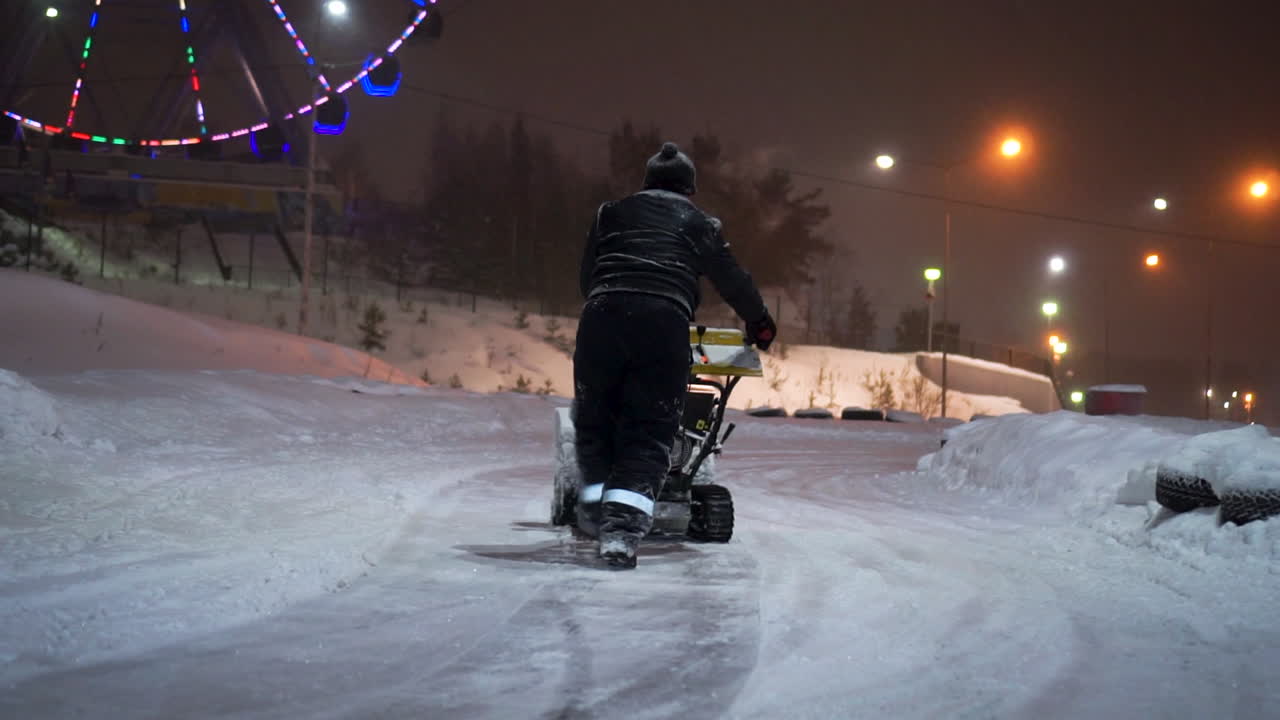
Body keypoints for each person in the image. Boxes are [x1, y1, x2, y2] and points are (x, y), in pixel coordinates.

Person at [574, 141, 776, 569]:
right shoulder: (698, 222)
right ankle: (620, 533)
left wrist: (611, 299)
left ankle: (592, 506)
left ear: (646, 183)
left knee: (595, 416)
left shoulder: (608, 213)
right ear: (690, 189)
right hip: (662, 322)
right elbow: (733, 279)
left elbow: (587, 275)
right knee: (648, 429)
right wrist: (759, 322)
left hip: (602, 316)